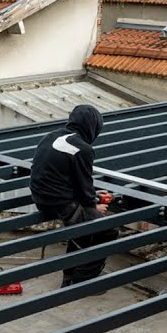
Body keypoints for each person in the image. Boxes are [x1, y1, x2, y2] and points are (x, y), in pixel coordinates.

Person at [29, 105, 119, 287]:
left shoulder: (51, 136)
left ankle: (69, 277)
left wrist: (93, 198)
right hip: (59, 202)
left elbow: (68, 178)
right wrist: (94, 206)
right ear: (93, 126)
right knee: (108, 230)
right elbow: (84, 187)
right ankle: (83, 280)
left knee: (83, 228)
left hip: (40, 197)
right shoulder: (83, 149)